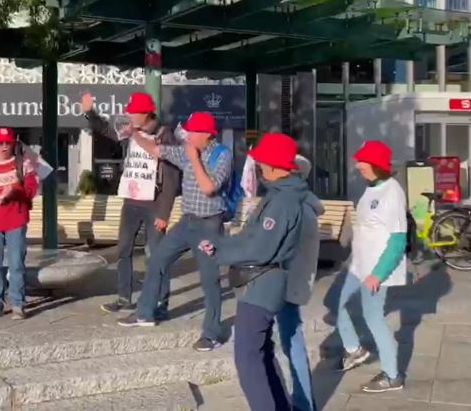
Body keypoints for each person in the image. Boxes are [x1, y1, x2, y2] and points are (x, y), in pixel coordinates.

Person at [198, 132, 310, 411]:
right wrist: (220, 244)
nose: (258, 169)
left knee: (248, 358)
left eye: (261, 164)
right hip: (262, 284)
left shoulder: (283, 202)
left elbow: (259, 248)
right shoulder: (280, 195)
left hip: (262, 285)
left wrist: (221, 253)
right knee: (261, 352)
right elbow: (250, 237)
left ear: (273, 166)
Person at [117, 111, 230, 352]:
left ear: (207, 134)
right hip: (186, 222)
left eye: (193, 131)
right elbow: (157, 151)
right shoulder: (185, 150)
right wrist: (135, 134)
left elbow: (209, 188)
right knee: (157, 259)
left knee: (210, 279)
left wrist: (194, 159)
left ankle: (211, 333)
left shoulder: (222, 155)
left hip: (209, 224)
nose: (187, 134)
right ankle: (145, 313)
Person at [81, 92, 180, 316]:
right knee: (123, 250)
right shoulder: (130, 131)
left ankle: (161, 303)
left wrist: (164, 213)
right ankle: (124, 298)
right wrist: (89, 112)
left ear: (147, 113)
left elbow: (172, 176)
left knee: (156, 254)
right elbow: (106, 130)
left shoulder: (164, 135)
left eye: (134, 111)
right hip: (131, 202)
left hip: (154, 203)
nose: (130, 114)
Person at [335, 140, 406, 393]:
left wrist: (378, 274)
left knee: (373, 317)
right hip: (357, 266)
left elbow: (398, 241)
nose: (357, 165)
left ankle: (392, 374)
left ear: (377, 165)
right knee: (338, 305)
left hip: (376, 270)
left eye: (362, 161)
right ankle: (355, 349)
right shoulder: (371, 187)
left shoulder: (392, 192)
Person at [275, 154, 323, 411]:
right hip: (289, 285)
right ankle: (302, 402)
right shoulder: (302, 205)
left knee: (291, 344)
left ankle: (303, 403)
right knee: (289, 342)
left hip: (285, 286)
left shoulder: (298, 208)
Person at [0, 127, 39, 320]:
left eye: (7, 142)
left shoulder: (23, 164)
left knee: (16, 263)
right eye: (0, 143)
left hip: (16, 220)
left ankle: (18, 303)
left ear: (13, 144)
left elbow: (31, 189)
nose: (4, 146)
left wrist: (15, 192)